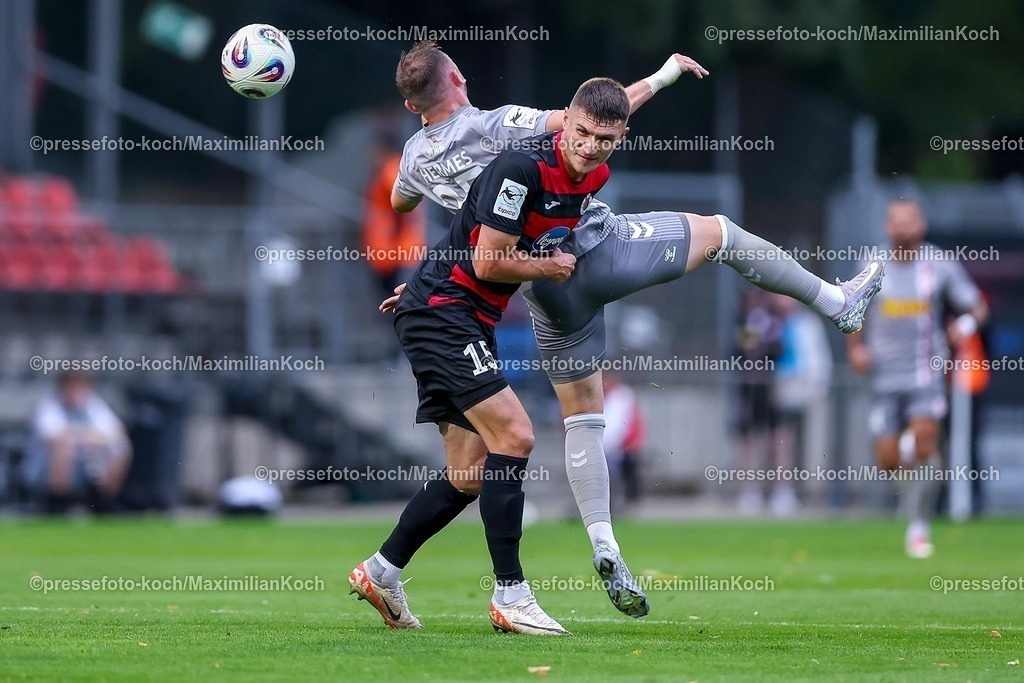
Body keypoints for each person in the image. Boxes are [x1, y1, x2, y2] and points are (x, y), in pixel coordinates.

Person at [363, 43, 884, 627]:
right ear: (458, 76)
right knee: (721, 235)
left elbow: (400, 199)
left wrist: (427, 190)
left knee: (577, 416)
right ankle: (837, 301)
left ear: (411, 105)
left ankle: (599, 542)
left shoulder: (412, 157)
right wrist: (662, 77)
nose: (588, 146)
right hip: (582, 254)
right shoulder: (502, 127)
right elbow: (592, 115)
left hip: (533, 294)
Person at [847, 198, 987, 558]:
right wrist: (855, 349)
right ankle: (906, 454)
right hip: (882, 378)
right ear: (886, 227)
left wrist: (966, 325)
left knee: (926, 445)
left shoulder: (938, 264)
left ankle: (920, 524)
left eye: (910, 221)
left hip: (926, 374)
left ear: (921, 225)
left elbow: (976, 305)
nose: (903, 228)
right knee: (889, 459)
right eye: (897, 221)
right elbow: (849, 306)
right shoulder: (872, 262)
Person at [21, 371, 132, 514]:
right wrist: (87, 436)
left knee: (122, 448)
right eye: (72, 386)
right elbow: (54, 436)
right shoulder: (50, 405)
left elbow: (116, 431)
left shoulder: (93, 405)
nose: (76, 392)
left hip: (90, 460)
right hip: (45, 465)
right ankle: (59, 503)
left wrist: (83, 437)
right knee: (64, 449)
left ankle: (104, 500)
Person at [361, 131, 426, 300]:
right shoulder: (392, 168)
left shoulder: (391, 168)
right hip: (392, 252)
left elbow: (403, 205)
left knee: (397, 302)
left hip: (395, 252)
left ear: (383, 150)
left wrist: (393, 241)